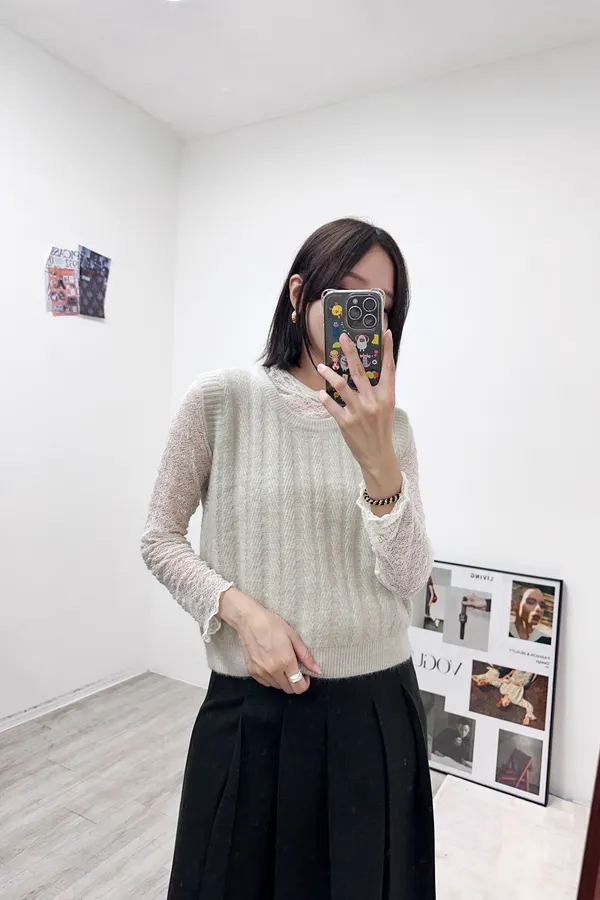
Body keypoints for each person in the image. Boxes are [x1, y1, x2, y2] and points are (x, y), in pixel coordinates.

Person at [142, 218, 435, 900]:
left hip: (375, 709)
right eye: (348, 293)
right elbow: (160, 537)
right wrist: (242, 614)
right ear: (300, 293)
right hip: (253, 709)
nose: (363, 316)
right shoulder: (222, 400)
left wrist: (378, 462)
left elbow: (409, 579)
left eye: (381, 305)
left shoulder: (394, 428)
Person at [472, 666, 537, 726]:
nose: (508, 703)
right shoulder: (515, 700)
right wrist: (527, 717)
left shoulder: (502, 690)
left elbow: (494, 681)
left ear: (501, 699)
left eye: (505, 703)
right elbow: (528, 706)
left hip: (516, 674)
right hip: (524, 680)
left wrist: (479, 679)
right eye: (507, 704)